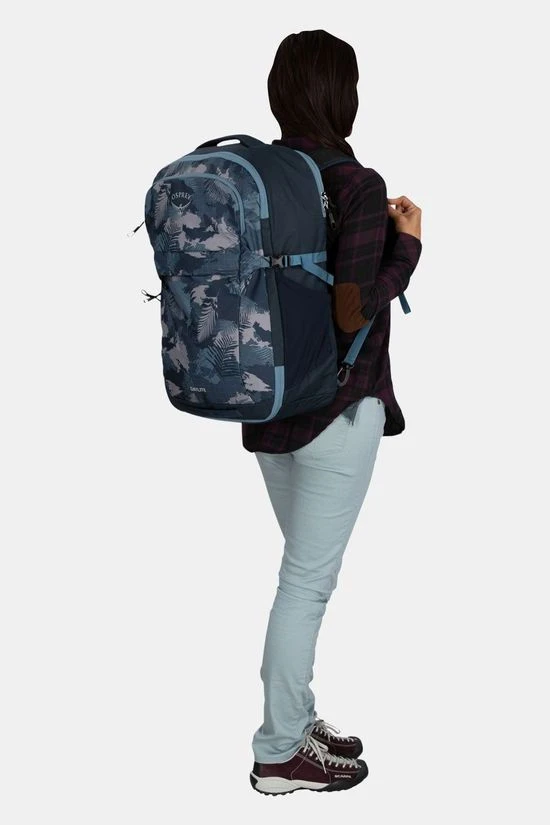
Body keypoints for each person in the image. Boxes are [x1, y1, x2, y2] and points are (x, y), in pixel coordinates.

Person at [243, 29, 423, 796]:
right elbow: (353, 310)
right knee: (306, 584)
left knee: (300, 574)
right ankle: (279, 751)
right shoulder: (353, 183)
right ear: (342, 96)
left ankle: (296, 715)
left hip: (266, 407)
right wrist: (406, 247)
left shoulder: (259, 177)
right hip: (338, 412)